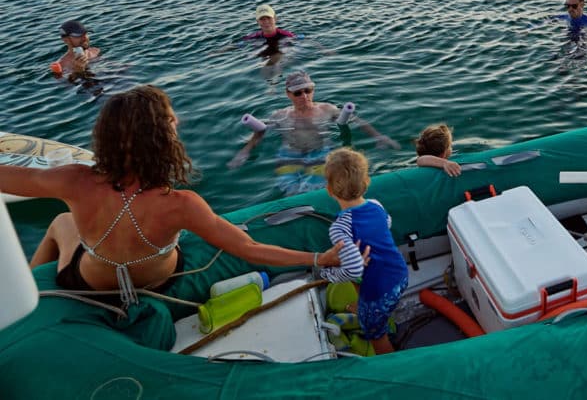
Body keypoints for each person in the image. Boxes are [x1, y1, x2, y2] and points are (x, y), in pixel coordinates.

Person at [0, 85, 345, 308]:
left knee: (61, 222)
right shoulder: (181, 204)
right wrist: (319, 259)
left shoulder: (73, 181)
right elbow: (250, 250)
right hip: (157, 279)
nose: (177, 121)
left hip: (91, 281)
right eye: (170, 120)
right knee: (213, 234)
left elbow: (13, 177)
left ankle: (34, 293)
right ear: (160, 138)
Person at [229, 71, 399, 193]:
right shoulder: (279, 115)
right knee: (290, 191)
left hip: (321, 151)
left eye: (307, 90)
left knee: (317, 190)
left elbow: (356, 120)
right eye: (298, 92)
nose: (304, 96)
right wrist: (245, 151)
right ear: (288, 94)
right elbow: (260, 133)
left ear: (313, 90)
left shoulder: (326, 109)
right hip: (290, 153)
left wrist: (379, 136)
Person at [320, 147, 408, 355]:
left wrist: (328, 274)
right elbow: (387, 223)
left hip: (378, 290)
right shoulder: (376, 205)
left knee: (376, 335)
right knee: (354, 266)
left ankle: (391, 365)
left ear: (329, 191)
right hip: (400, 275)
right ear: (366, 182)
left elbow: (352, 270)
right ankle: (364, 306)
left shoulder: (340, 227)